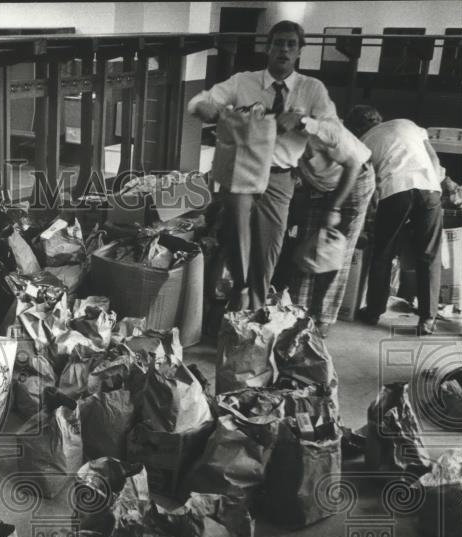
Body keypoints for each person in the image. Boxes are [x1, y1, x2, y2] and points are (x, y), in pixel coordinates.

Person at [189, 20, 337, 310]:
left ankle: (255, 309)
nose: (284, 49)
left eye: (291, 44)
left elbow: (334, 134)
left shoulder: (311, 89)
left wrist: (304, 121)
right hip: (240, 174)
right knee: (235, 238)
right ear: (268, 48)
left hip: (280, 177)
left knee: (269, 247)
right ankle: (237, 298)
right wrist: (210, 110)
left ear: (298, 51)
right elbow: (198, 103)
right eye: (278, 43)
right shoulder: (244, 81)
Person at [345, 106, 448, 335]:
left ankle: (373, 312)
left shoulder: (364, 142)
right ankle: (427, 319)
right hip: (429, 188)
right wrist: (435, 184)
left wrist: (368, 219)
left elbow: (367, 185)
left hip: (396, 191)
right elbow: (432, 156)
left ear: (356, 127)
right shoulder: (407, 123)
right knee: (429, 255)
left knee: (383, 253)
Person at [289, 116, 376, 337]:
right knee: (307, 248)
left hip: (355, 180)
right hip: (320, 185)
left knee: (336, 251)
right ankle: (299, 315)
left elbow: (353, 165)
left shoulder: (323, 130)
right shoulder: (275, 134)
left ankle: (323, 318)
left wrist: (334, 208)